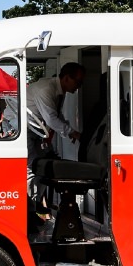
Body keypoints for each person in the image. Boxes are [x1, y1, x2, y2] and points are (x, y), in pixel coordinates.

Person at [26, 62, 86, 218]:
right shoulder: (46, 90)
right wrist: (72, 133)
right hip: (26, 130)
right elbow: (51, 119)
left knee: (44, 167)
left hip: (37, 131)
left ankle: (36, 204)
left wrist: (69, 131)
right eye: (78, 82)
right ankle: (29, 211)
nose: (79, 87)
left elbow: (56, 116)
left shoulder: (59, 91)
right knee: (33, 169)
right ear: (66, 78)